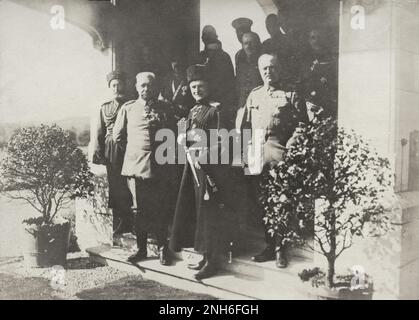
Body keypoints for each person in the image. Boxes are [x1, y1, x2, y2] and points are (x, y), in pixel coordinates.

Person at [169, 64, 235, 280]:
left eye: (201, 86)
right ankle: (204, 256)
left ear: (208, 87)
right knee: (198, 212)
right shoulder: (192, 110)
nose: (196, 90)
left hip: (210, 170)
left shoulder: (217, 110)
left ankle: (213, 261)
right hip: (193, 168)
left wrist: (205, 154)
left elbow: (225, 142)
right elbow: (188, 135)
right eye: (193, 86)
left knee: (210, 213)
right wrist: (182, 139)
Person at [236, 54, 300, 268]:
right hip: (255, 153)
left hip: (278, 152)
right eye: (264, 68)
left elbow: (303, 124)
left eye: (272, 67)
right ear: (259, 70)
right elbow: (245, 125)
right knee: (262, 203)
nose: (268, 72)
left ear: (279, 69)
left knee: (281, 202)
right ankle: (269, 245)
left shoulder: (289, 94)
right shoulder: (254, 95)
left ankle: (282, 249)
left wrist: (291, 144)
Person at [113, 72, 175, 266]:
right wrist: (135, 150)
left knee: (161, 208)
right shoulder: (128, 108)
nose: (146, 89)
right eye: (142, 86)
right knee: (139, 209)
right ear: (136, 87)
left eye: (149, 85)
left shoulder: (164, 108)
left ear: (154, 87)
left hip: (160, 166)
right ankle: (141, 249)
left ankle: (163, 249)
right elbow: (118, 137)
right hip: (136, 165)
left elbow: (172, 133)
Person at [91, 70, 132, 237]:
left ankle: (139, 222)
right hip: (112, 150)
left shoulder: (132, 104)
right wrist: (98, 153)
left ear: (125, 85)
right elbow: (99, 132)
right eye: (113, 85)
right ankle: (123, 222)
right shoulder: (105, 107)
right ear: (110, 87)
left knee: (134, 184)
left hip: (131, 147)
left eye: (119, 84)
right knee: (117, 186)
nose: (116, 88)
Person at [198, 25, 236, 129]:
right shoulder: (200, 56)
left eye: (209, 35)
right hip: (203, 103)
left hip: (220, 105)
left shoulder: (224, 57)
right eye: (204, 35)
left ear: (216, 36)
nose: (204, 37)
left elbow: (230, 83)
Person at [298, 29, 338, 118]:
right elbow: (304, 77)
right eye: (313, 38)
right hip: (311, 98)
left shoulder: (329, 56)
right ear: (308, 40)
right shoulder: (306, 58)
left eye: (319, 37)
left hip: (327, 96)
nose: (316, 40)